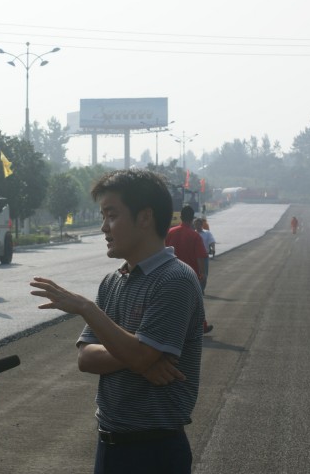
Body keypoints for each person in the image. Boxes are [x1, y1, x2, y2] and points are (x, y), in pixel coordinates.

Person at [30, 169, 204, 474]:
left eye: (111, 216)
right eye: (103, 216)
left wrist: (87, 308)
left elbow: (139, 355)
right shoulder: (113, 281)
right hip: (110, 445)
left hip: (155, 451)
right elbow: (86, 358)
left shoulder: (175, 280)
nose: (103, 227)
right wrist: (141, 357)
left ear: (145, 217)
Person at [166, 205, 213, 333]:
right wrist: (202, 273)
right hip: (190, 275)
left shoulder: (170, 232)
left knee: (170, 301)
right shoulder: (195, 236)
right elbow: (200, 256)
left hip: (170, 273)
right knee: (196, 302)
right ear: (192, 218)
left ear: (181, 217)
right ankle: (201, 326)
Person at [193, 218, 216, 295]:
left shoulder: (207, 233)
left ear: (201, 225)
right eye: (196, 224)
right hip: (194, 256)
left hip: (204, 256)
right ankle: (197, 289)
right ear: (194, 225)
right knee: (194, 273)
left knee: (204, 274)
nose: (197, 226)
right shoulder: (192, 233)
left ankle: (201, 289)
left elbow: (212, 241)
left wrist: (213, 249)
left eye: (198, 224)